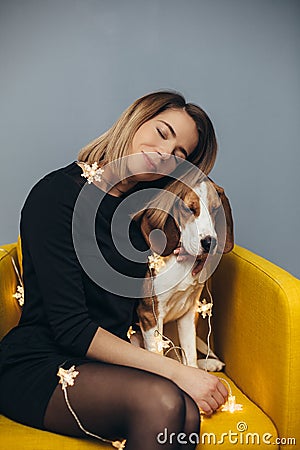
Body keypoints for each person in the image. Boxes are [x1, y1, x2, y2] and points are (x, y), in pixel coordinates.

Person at [0, 91, 228, 450]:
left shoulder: (147, 216)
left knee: (185, 410)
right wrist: (180, 371)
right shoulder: (56, 194)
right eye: (162, 131)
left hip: (105, 366)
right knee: (166, 402)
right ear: (135, 119)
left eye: (181, 154)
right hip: (41, 363)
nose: (166, 152)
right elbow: (71, 328)